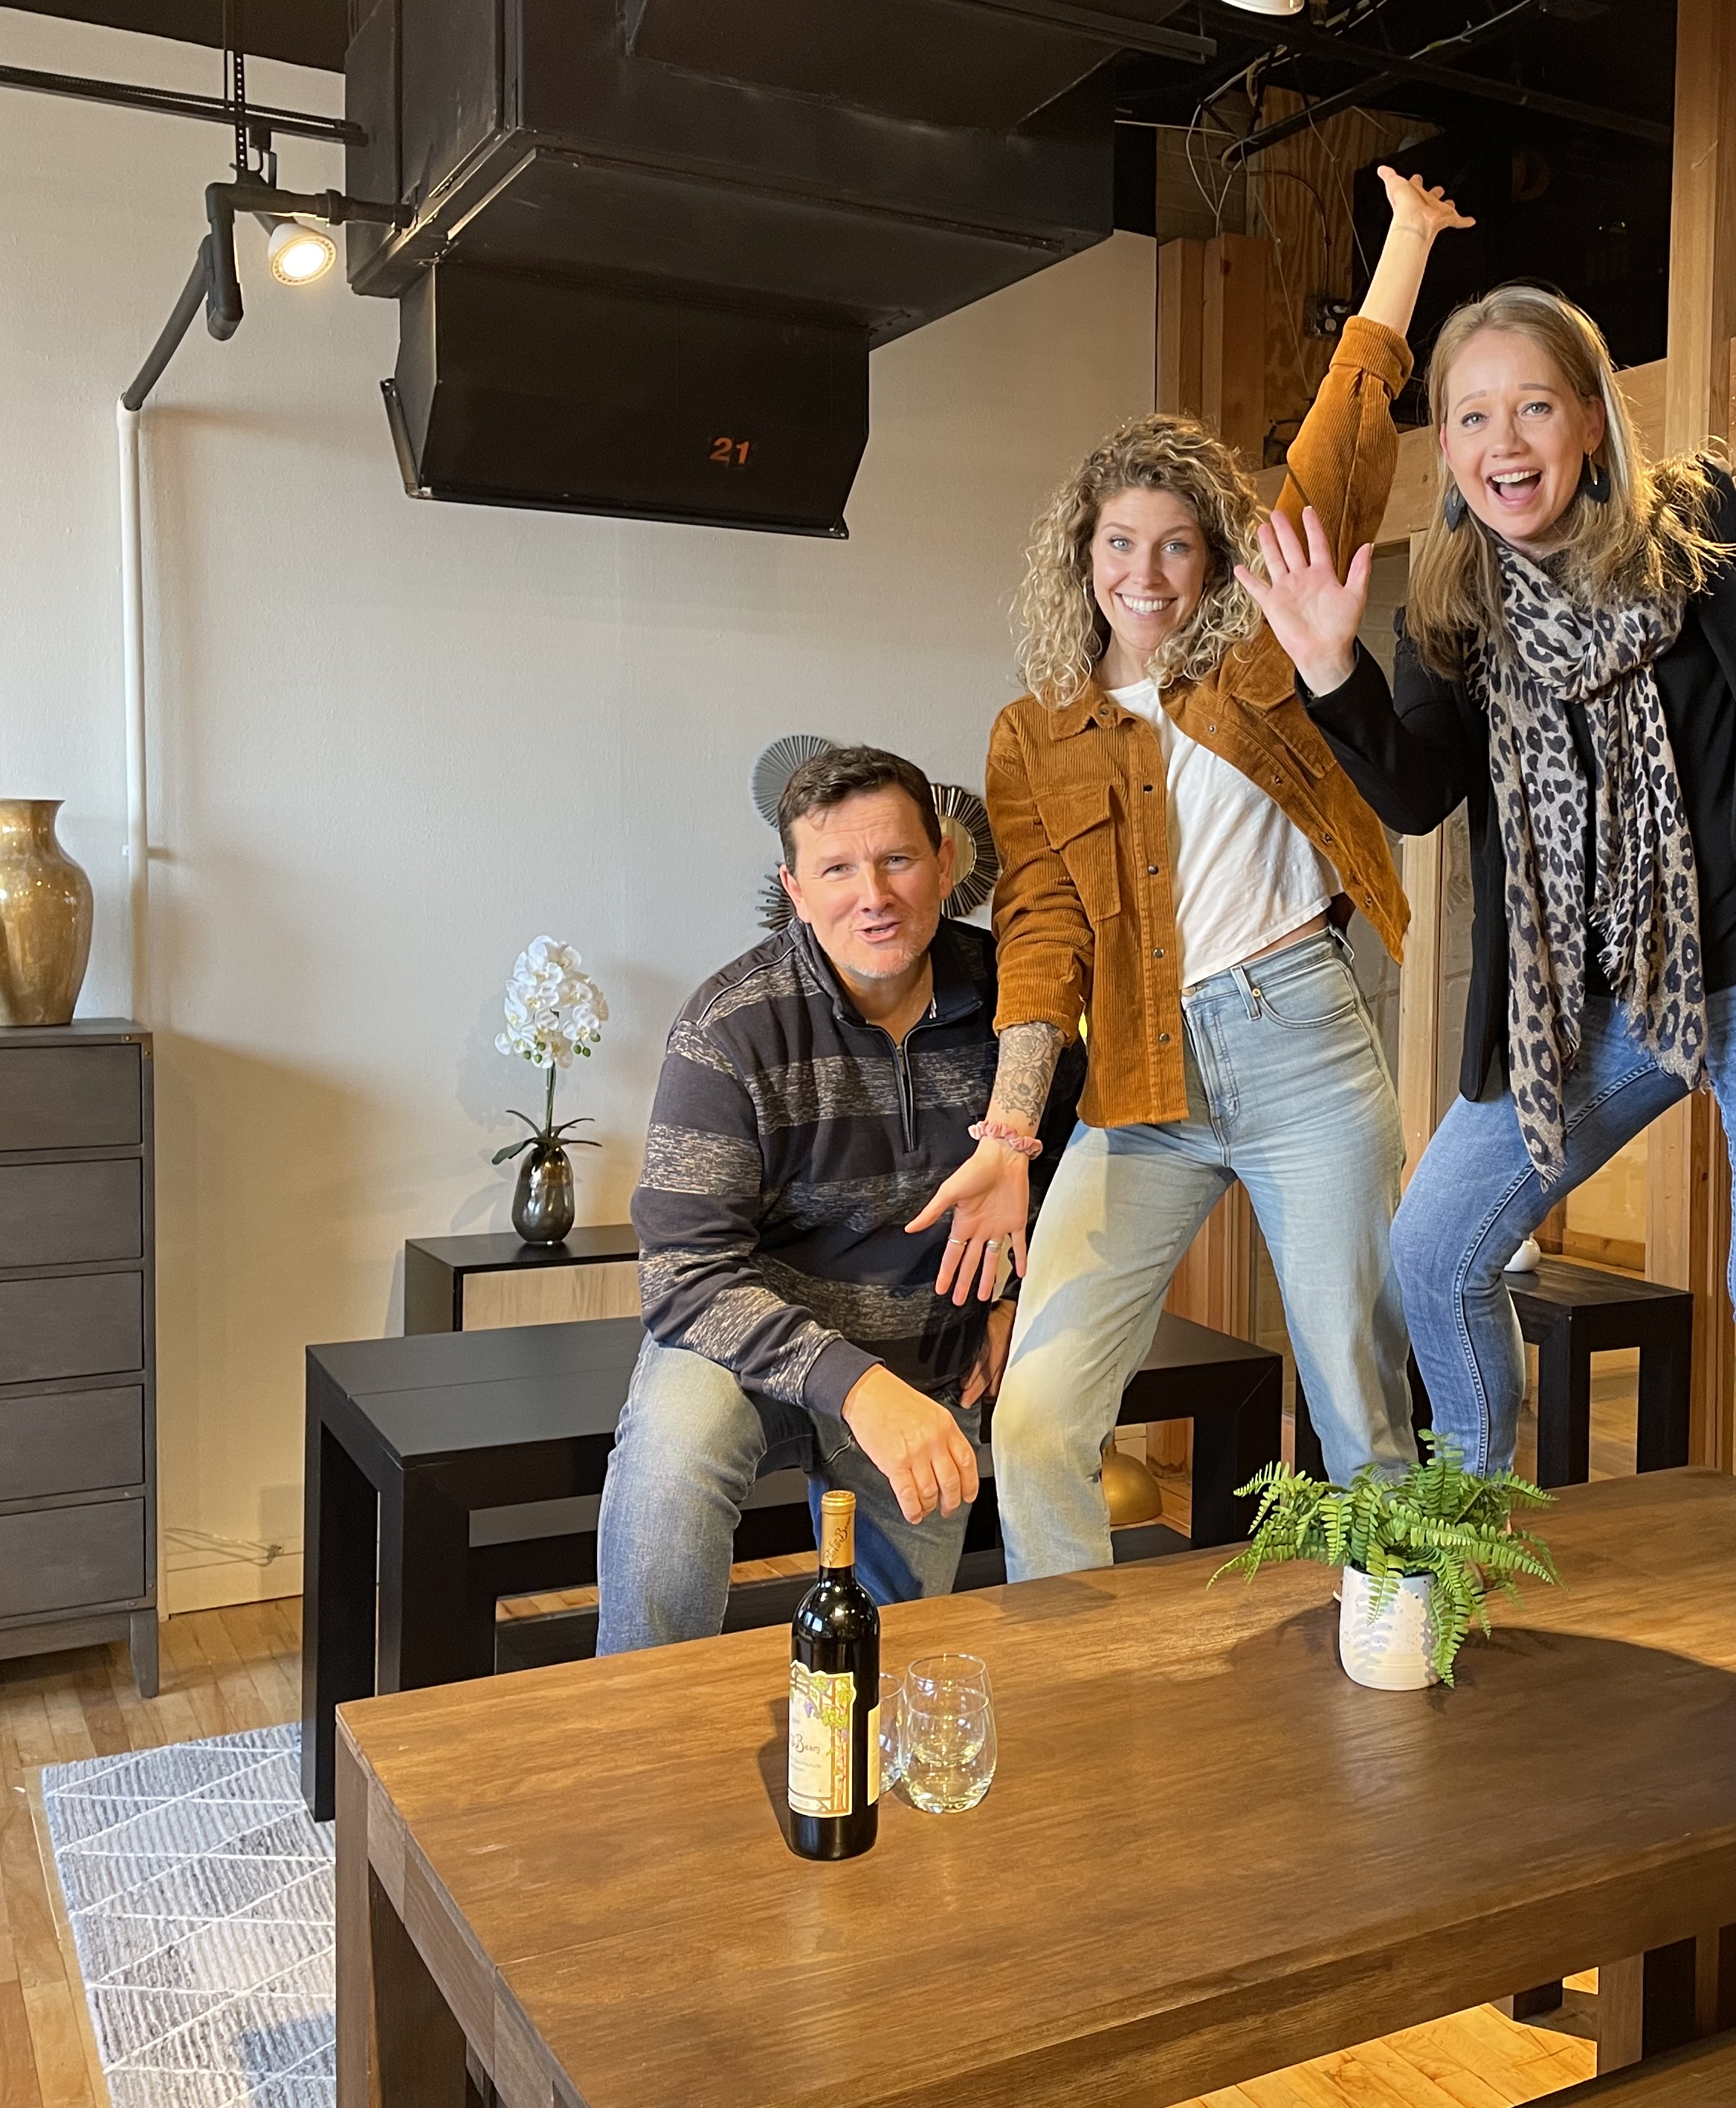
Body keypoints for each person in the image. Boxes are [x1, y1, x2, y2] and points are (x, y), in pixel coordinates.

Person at [1247, 208, 1736, 1707]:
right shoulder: (1449, 604)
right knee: (1433, 1249)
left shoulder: (1703, 527)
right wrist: (1330, 666)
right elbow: (1419, 792)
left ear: (1590, 420)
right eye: (1472, 417)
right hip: (1589, 997)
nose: (1502, 441)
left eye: (1533, 406)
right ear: (1449, 448)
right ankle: (1465, 1523)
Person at [910, 164, 1472, 1579]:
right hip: (1139, 1084)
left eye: (1176, 545)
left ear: (1215, 557)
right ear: (1082, 554)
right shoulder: (1035, 730)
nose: (1146, 573)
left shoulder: (1260, 650)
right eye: (1120, 543)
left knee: (1356, 1404)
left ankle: (1395, 1642)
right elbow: (1042, 936)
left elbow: (1339, 457)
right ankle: (1075, 1664)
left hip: (1300, 1043)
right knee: (1038, 1416)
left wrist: (1404, 247)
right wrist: (1009, 1130)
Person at [595, 744, 1073, 1648]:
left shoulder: (1019, 1007)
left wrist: (1017, 1294)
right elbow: (685, 1276)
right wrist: (856, 1386)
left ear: (943, 862)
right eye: (838, 870)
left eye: (897, 860)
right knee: (669, 1461)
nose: (874, 896)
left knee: (890, 1656)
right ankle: (638, 1712)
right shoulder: (729, 1027)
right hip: (751, 1353)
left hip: (928, 1359)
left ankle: (857, 1735)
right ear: (796, 890)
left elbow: (1068, 1166)